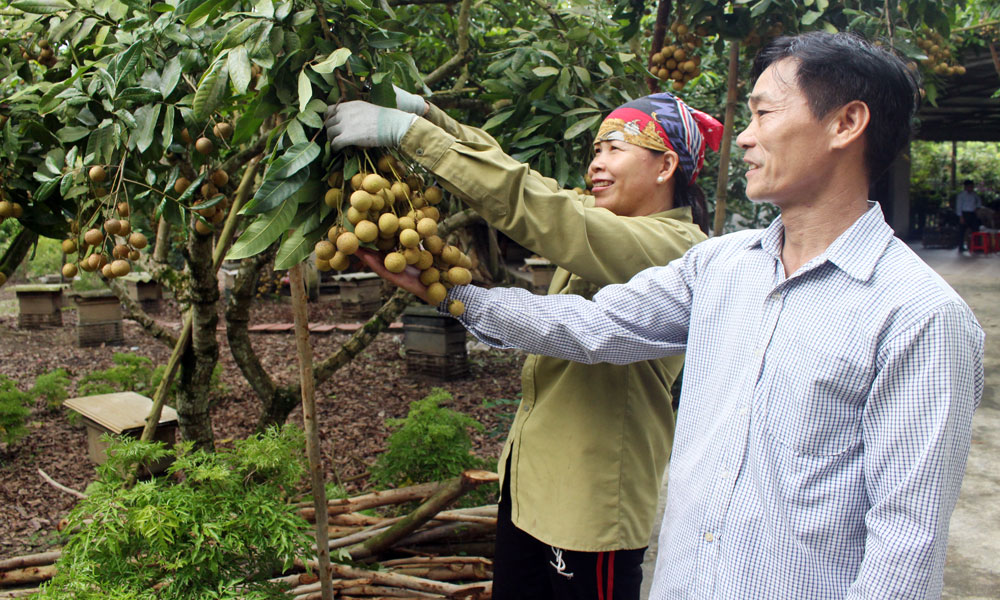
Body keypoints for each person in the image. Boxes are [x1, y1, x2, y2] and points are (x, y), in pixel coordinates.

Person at [351, 32, 985, 599]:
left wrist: (416, 132)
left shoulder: (919, 317)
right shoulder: (722, 268)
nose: (744, 135)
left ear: (847, 123)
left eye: (764, 113)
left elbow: (906, 543)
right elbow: (591, 326)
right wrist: (453, 296)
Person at [326, 88, 721, 598]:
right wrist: (428, 113)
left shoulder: (680, 251)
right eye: (596, 150)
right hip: (529, 486)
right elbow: (518, 178)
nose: (597, 164)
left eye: (614, 150)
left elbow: (535, 211)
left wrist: (410, 135)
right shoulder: (602, 218)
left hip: (588, 503)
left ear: (666, 165)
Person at [955, 179, 982, 252]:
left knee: (976, 230)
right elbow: (959, 206)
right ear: (966, 187)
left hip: (972, 214)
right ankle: (961, 247)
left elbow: (979, 202)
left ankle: (976, 247)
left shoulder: (974, 194)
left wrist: (977, 208)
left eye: (972, 186)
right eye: (970, 186)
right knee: (962, 231)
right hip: (964, 214)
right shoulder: (961, 195)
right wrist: (961, 217)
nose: (971, 188)